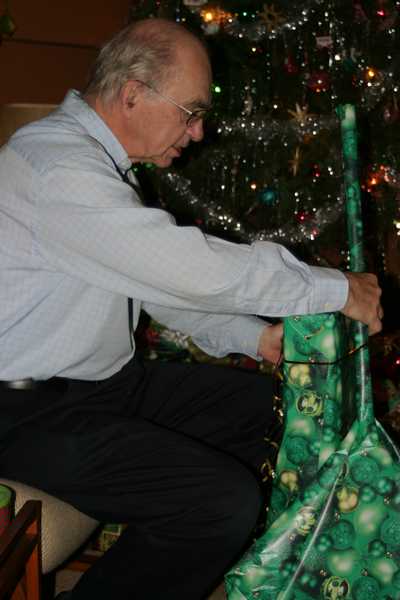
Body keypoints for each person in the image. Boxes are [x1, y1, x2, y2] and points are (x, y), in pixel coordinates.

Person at [0, 18, 382, 600]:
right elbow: (194, 271)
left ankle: (278, 575)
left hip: (100, 387)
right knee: (218, 503)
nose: (198, 132)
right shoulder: (60, 170)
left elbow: (159, 290)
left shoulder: (93, 164)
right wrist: (337, 289)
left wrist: (256, 339)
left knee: (279, 413)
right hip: (24, 415)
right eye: (191, 112)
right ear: (132, 93)